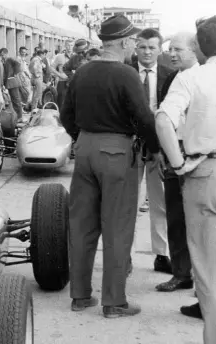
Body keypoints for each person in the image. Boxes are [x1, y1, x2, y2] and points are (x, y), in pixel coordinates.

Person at [61, 14, 161, 318]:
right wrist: (154, 149)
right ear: (123, 42)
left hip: (86, 149)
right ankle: (114, 301)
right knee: (117, 226)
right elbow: (144, 118)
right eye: (132, 41)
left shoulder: (82, 72)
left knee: (82, 225)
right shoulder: (126, 74)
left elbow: (67, 115)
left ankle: (80, 296)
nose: (134, 45)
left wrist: (83, 139)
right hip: (117, 152)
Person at [154, 15, 216, 344]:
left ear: (199, 47)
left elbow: (164, 121)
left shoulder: (191, 78)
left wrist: (180, 164)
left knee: (209, 271)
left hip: (206, 173)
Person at [154, 31, 200, 295]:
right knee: (175, 214)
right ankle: (181, 273)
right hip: (175, 152)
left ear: (194, 49)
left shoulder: (207, 78)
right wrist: (163, 151)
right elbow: (164, 119)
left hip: (199, 153)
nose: (172, 54)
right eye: (170, 49)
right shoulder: (172, 78)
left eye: (178, 49)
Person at [131, 28, 175, 274]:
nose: (147, 52)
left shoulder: (170, 75)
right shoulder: (125, 73)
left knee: (160, 203)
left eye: (152, 47)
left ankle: (161, 254)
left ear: (160, 50)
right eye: (143, 47)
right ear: (136, 48)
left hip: (160, 150)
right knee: (129, 203)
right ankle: (125, 255)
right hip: (131, 147)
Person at [51, 40, 72, 109]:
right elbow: (52, 68)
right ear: (65, 46)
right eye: (68, 45)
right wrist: (59, 75)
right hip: (62, 83)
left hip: (72, 83)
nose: (70, 47)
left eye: (71, 45)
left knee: (72, 105)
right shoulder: (59, 57)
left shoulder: (75, 57)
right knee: (61, 104)